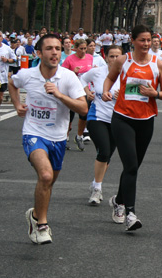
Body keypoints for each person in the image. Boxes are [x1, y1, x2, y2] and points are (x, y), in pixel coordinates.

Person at [9, 34, 87, 244]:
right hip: (34, 133)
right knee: (45, 176)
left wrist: (60, 95)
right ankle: (42, 224)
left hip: (59, 137)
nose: (55, 53)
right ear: (39, 52)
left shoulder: (68, 77)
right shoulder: (27, 74)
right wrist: (17, 105)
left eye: (58, 49)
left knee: (49, 182)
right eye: (50, 48)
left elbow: (83, 108)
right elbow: (12, 82)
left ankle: (34, 215)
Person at [102, 24, 162, 231]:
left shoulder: (157, 64)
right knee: (130, 165)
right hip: (122, 118)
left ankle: (118, 200)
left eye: (149, 40)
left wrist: (155, 94)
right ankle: (130, 212)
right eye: (142, 40)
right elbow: (109, 78)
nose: (146, 44)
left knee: (134, 166)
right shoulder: (123, 61)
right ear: (132, 41)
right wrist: (106, 91)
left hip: (146, 120)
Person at [80, 45, 122, 207]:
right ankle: (97, 188)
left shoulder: (127, 74)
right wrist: (87, 92)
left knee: (107, 156)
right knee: (103, 151)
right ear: (106, 58)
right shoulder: (98, 72)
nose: (114, 59)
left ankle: (96, 182)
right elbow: (82, 78)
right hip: (97, 117)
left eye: (117, 56)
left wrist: (123, 96)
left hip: (118, 120)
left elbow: (139, 94)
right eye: (111, 56)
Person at [62, 38, 94, 150]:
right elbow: (62, 74)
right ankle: (65, 138)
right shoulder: (69, 59)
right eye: (81, 49)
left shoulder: (90, 58)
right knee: (69, 117)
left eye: (85, 48)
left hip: (85, 91)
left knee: (84, 114)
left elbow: (90, 75)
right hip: (71, 92)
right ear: (75, 48)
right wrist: (73, 72)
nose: (84, 51)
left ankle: (79, 136)